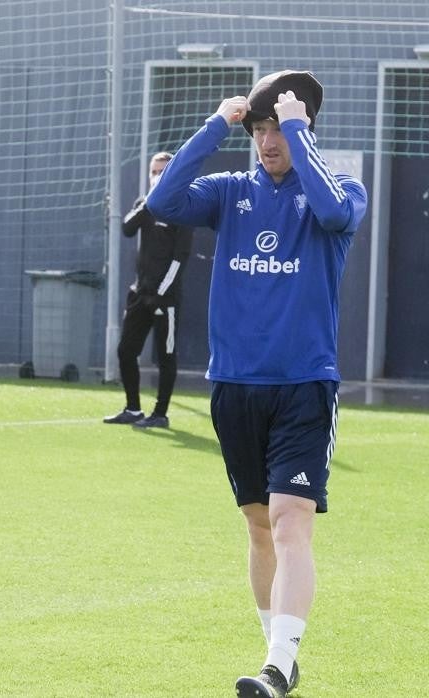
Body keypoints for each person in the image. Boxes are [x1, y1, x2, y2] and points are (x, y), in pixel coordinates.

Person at [146, 70, 367, 698]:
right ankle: (281, 659)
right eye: (262, 128)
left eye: (280, 128)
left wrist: (298, 130)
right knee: (258, 524)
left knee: (290, 518)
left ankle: (278, 660)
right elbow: (162, 202)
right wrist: (219, 123)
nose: (269, 141)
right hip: (235, 385)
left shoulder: (342, 190)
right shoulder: (228, 191)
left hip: (303, 383)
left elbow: (328, 209)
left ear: (302, 129)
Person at [103, 151, 193, 429]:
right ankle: (132, 408)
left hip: (165, 299)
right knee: (126, 350)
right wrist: (147, 204)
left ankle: (160, 413)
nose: (156, 177)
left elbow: (180, 257)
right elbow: (128, 228)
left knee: (166, 356)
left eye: (162, 172)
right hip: (139, 293)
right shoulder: (145, 205)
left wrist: (162, 292)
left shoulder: (183, 207)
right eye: (153, 172)